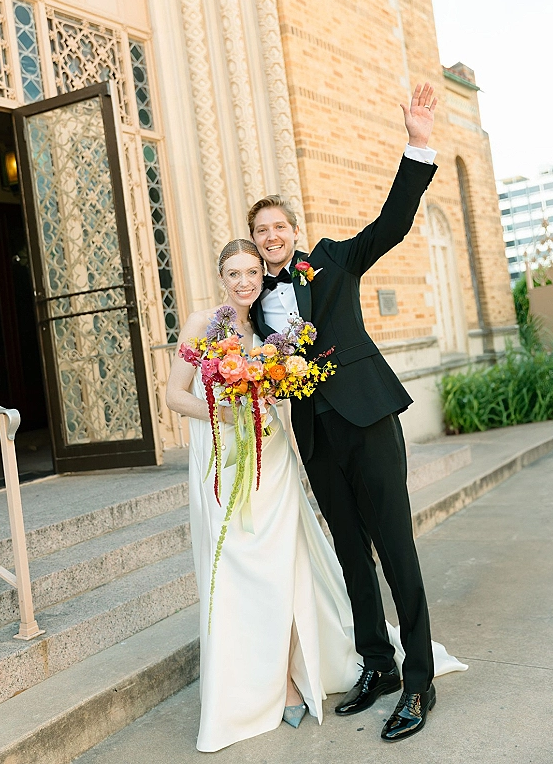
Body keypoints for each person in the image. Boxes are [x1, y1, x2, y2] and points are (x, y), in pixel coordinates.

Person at [166, 230, 465, 753]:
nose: (244, 280)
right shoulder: (209, 324)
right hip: (240, 450)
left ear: (267, 270)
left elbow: (386, 232)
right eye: (234, 272)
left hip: (291, 449)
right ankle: (326, 674)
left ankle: (415, 680)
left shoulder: (281, 312)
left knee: (342, 555)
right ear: (221, 277)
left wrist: (419, 152)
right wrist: (227, 411)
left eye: (251, 272)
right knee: (300, 557)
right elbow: (177, 394)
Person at [249, 83, 443, 742]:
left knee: (394, 548)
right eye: (261, 232)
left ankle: (419, 682)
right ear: (254, 243)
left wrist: (417, 145)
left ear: (294, 234)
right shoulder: (254, 307)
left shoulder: (333, 260)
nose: (272, 238)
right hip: (314, 437)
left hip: (367, 420)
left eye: (280, 228)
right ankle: (379, 666)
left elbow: (392, 223)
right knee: (351, 556)